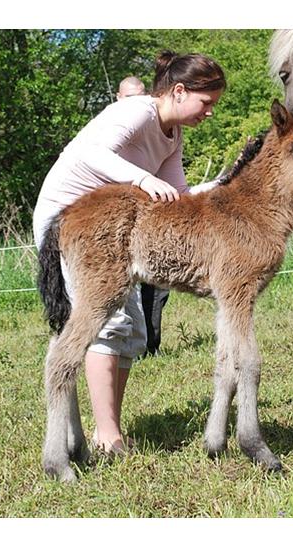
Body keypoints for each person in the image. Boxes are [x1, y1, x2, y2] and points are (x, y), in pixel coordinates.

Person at [33, 51, 226, 455]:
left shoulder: (173, 135)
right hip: (72, 217)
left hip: (117, 226)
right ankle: (107, 436)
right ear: (178, 91)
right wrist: (141, 178)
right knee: (108, 321)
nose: (209, 112)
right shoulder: (138, 111)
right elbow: (90, 152)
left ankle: (104, 430)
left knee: (132, 328)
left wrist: (227, 184)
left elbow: (179, 195)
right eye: (206, 102)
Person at [115, 76, 172, 357]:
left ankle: (150, 345)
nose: (136, 103)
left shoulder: (153, 132)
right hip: (119, 220)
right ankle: (119, 348)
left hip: (153, 217)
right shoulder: (114, 131)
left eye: (141, 96)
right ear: (118, 98)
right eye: (130, 98)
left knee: (156, 289)